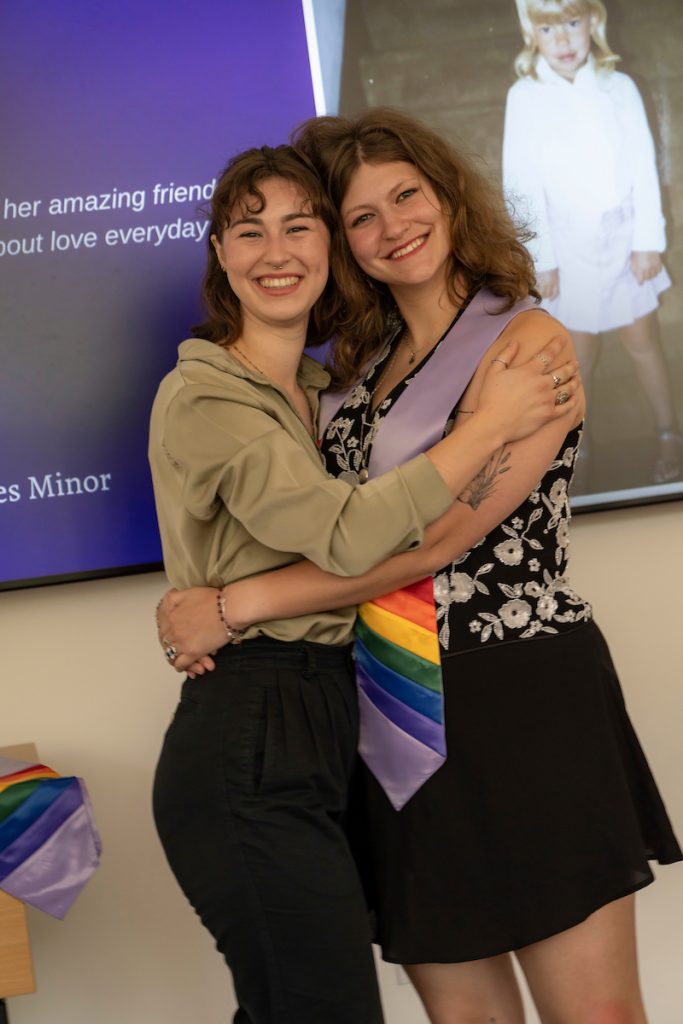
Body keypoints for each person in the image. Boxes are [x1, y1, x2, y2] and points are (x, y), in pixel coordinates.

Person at [158, 110, 682, 1024]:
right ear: (342, 244)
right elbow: (332, 525)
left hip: (519, 695)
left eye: (406, 196)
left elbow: (435, 540)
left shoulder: (527, 344)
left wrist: (234, 603)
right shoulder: (350, 373)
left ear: (447, 197)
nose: (392, 225)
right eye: (361, 216)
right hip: (388, 711)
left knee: (594, 1016)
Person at [503, 0, 682, 486]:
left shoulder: (617, 88)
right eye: (548, 27)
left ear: (594, 24)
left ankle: (669, 432)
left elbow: (644, 167)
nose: (562, 39)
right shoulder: (525, 96)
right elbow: (520, 183)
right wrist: (541, 257)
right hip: (567, 248)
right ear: (531, 33)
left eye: (573, 23)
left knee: (641, 341)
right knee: (578, 356)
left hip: (623, 240)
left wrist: (649, 240)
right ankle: (579, 443)